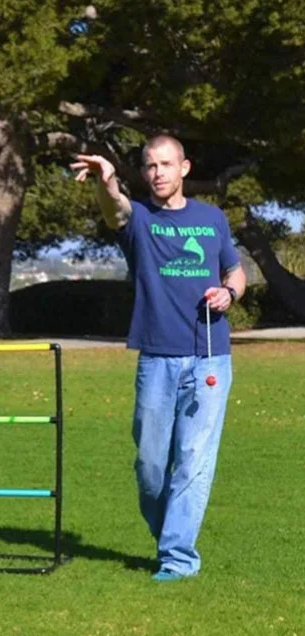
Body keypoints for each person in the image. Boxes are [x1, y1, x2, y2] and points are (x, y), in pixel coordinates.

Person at [71, 136, 247, 581]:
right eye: (150, 166)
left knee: (193, 460)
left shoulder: (212, 218)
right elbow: (115, 210)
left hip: (209, 358)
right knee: (150, 466)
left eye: (166, 164)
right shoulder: (140, 219)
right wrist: (106, 181)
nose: (157, 173)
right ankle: (170, 531)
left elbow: (235, 271)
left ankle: (177, 557)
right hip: (157, 358)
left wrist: (229, 293)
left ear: (184, 168)